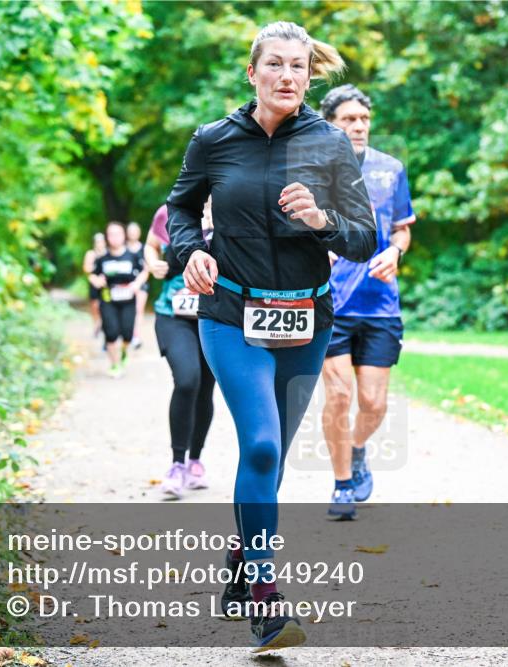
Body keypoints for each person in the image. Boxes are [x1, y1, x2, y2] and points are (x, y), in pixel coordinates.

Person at [166, 21, 375, 652]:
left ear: (311, 76)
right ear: (252, 71)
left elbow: (365, 236)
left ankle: (238, 569)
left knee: (273, 458)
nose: (288, 77)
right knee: (259, 445)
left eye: (299, 67)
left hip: (306, 319)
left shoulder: (331, 145)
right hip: (231, 314)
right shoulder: (213, 140)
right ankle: (264, 598)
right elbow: (179, 208)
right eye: (276, 65)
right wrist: (189, 253)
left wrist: (321, 219)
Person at [317, 84, 415, 519]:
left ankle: (356, 449)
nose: (358, 126)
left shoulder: (391, 170)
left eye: (363, 119)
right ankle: (341, 485)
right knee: (338, 395)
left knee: (374, 404)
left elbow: (402, 229)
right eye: (348, 119)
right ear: (330, 125)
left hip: (379, 304)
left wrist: (395, 251)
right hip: (330, 302)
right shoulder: (313, 171)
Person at [145, 200, 216, 499]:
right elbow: (150, 245)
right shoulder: (169, 211)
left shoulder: (234, 208)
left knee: (205, 390)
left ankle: (195, 460)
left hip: (216, 316)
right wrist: (152, 263)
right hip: (173, 315)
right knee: (187, 380)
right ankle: (176, 464)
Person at [89, 221, 147, 378]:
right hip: (108, 299)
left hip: (128, 299)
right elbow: (92, 274)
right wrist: (95, 280)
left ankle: (123, 352)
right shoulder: (102, 258)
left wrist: (137, 283)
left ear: (124, 235)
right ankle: (114, 364)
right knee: (111, 332)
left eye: (118, 234)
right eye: (111, 234)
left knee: (128, 334)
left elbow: (144, 271)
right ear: (107, 237)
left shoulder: (132, 256)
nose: (114, 237)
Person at [126, 221, 147, 349]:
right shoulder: (122, 247)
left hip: (140, 284)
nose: (133, 233)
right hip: (123, 285)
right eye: (131, 230)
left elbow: (146, 268)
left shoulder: (144, 248)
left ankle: (136, 336)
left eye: (135, 230)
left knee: (138, 310)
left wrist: (138, 283)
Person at [83, 232, 107, 338]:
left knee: (106, 304)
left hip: (106, 283)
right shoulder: (91, 254)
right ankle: (97, 324)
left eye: (101, 241)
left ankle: (104, 324)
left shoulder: (108, 253)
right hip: (94, 282)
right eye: (98, 242)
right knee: (95, 306)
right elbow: (87, 269)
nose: (100, 244)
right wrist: (95, 278)